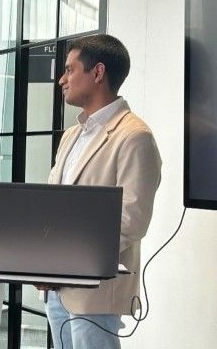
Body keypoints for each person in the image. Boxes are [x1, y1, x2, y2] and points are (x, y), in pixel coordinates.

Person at [42, 34, 162, 349]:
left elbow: (131, 219)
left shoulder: (135, 137)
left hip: (95, 293)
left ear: (97, 73)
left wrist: (66, 266)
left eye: (69, 70)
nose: (61, 79)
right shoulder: (71, 136)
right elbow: (52, 207)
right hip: (57, 289)